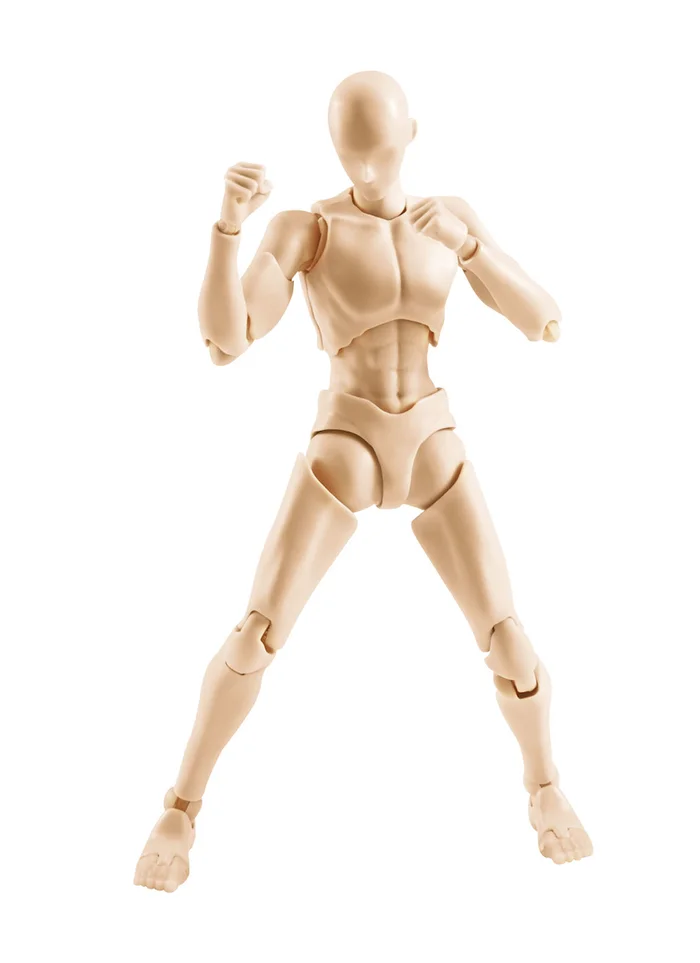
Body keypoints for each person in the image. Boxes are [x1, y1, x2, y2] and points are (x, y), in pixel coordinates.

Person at [134, 70, 591, 893]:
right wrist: (226, 230)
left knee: (511, 643)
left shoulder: (448, 215)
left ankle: (545, 784)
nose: (368, 163)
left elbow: (546, 319)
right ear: (335, 146)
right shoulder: (307, 228)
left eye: (379, 144)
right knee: (254, 636)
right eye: (353, 147)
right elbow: (227, 341)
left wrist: (471, 247)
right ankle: (182, 805)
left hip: (433, 440)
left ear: (413, 134)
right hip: (345, 441)